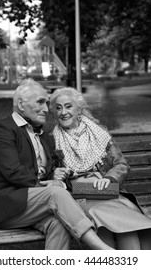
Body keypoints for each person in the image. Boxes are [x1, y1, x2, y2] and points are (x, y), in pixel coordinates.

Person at [0, 79, 114, 250]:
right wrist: (48, 184)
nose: (46, 109)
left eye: (47, 103)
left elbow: (45, 172)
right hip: (4, 206)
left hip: (32, 206)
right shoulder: (3, 129)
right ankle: (102, 249)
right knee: (55, 194)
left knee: (59, 223)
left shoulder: (45, 138)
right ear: (21, 104)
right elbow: (13, 172)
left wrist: (55, 175)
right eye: (40, 102)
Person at [49, 87, 151, 250]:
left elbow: (121, 165)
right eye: (58, 107)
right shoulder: (52, 141)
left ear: (79, 109)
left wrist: (108, 179)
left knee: (129, 230)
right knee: (120, 224)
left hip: (107, 191)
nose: (63, 112)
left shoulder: (99, 133)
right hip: (79, 195)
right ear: (54, 112)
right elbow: (46, 175)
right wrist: (55, 174)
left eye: (68, 106)